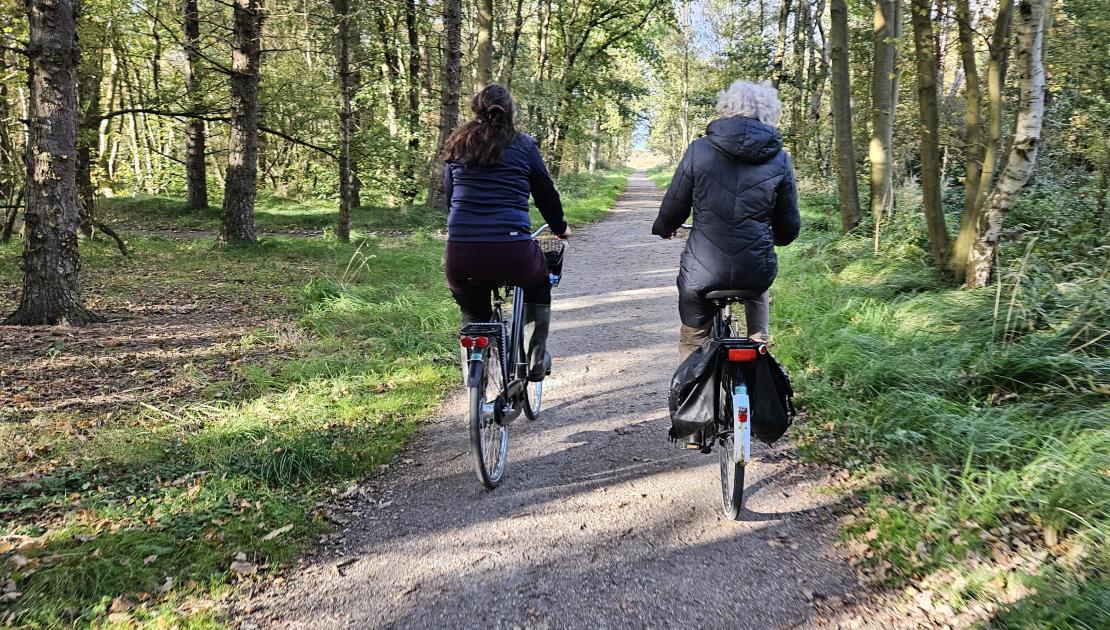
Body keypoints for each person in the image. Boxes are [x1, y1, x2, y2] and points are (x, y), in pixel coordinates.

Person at [651, 80, 801, 362]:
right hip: (754, 269)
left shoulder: (699, 149)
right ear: (768, 112)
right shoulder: (780, 159)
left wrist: (664, 227)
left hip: (702, 272)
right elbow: (788, 228)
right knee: (758, 288)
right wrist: (776, 238)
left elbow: (674, 205)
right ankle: (759, 344)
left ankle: (688, 401)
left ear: (727, 107)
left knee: (693, 338)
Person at [443, 84, 571, 381]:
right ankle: (536, 359)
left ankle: (474, 376)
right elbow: (544, 193)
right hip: (512, 252)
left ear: (476, 108)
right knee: (539, 283)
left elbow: (450, 196)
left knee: (473, 316)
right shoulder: (523, 145)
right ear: (510, 112)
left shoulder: (457, 143)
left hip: (462, 253)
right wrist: (559, 227)